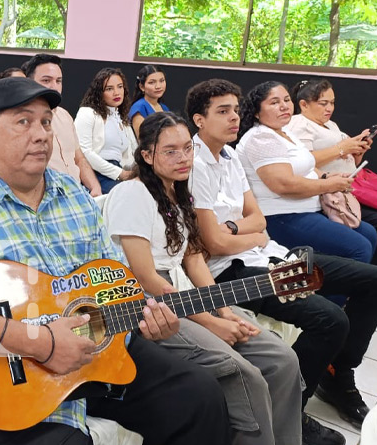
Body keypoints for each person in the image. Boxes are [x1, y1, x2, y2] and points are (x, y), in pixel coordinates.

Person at [0, 77, 231, 445]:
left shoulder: (72, 193)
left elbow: (113, 283)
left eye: (46, 121)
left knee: (199, 396)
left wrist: (152, 318)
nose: (41, 133)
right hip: (16, 373)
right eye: (24, 121)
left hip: (100, 349)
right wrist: (40, 342)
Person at [187, 78, 377, 442]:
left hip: (268, 251)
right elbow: (213, 241)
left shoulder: (228, 156)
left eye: (233, 109)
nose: (232, 118)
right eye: (222, 111)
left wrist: (246, 231)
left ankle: (339, 375)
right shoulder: (194, 162)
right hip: (235, 271)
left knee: (370, 278)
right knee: (330, 319)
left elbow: (259, 222)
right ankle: (292, 413)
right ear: (199, 119)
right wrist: (246, 231)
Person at [103, 111, 303, 445]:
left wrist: (223, 310)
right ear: (147, 155)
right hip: (147, 303)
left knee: (282, 359)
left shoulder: (178, 193)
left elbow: (193, 258)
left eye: (186, 148)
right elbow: (145, 276)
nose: (183, 158)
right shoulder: (132, 193)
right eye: (170, 151)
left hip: (183, 291)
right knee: (244, 373)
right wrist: (210, 323)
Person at [236, 81, 377, 263]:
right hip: (283, 216)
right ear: (257, 111)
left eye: (286, 100)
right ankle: (334, 291)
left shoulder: (285, 132)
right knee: (359, 247)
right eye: (274, 102)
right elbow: (284, 184)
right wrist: (328, 184)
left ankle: (356, 288)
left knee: (369, 233)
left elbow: (308, 165)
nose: (284, 106)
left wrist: (327, 176)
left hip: (313, 207)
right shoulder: (262, 137)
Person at [286, 79, 377, 241]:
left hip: (353, 183)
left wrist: (356, 152)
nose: (329, 108)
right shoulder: (299, 124)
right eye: (323, 103)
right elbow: (303, 163)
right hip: (332, 192)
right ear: (304, 105)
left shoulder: (331, 124)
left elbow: (346, 162)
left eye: (332, 103)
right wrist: (342, 148)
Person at [22, 54, 101, 196]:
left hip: (78, 192)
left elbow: (79, 158)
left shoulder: (65, 116)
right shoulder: (22, 121)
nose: (54, 87)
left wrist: (95, 187)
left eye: (59, 81)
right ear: (29, 82)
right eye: (46, 80)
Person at [74, 68, 136, 194]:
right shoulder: (87, 113)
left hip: (120, 170)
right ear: (99, 92)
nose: (116, 92)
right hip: (95, 172)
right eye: (109, 89)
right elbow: (84, 152)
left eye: (120, 87)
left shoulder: (121, 117)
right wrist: (119, 173)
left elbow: (131, 154)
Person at [129, 65, 169, 138]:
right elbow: (142, 140)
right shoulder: (138, 108)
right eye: (152, 82)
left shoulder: (164, 108)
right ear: (141, 86)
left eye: (162, 81)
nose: (158, 86)